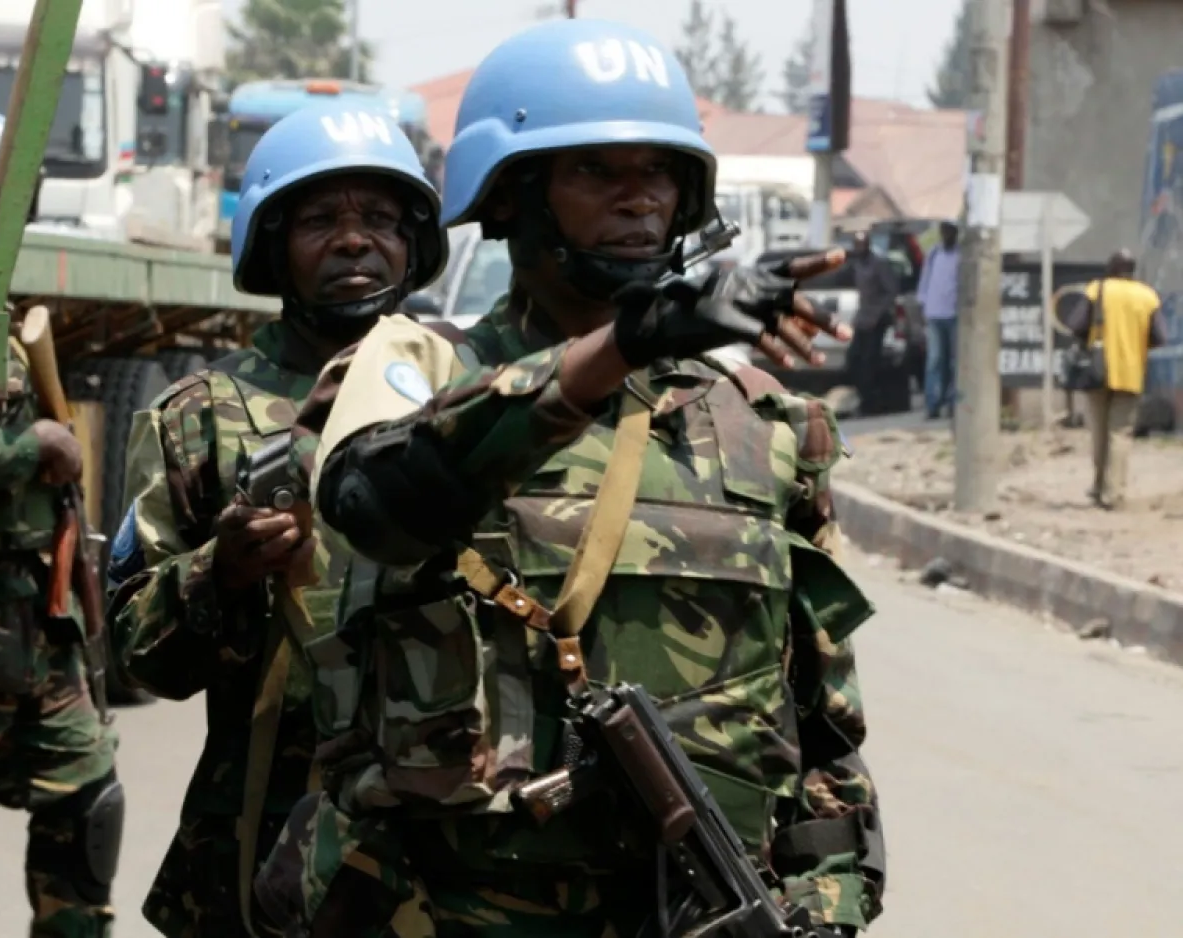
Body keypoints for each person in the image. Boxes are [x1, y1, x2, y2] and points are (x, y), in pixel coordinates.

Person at [254, 18, 884, 938]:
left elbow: (824, 726)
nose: (638, 201)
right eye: (595, 172)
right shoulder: (415, 367)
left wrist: (826, 906)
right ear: (510, 197)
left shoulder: (768, 426)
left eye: (658, 173)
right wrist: (627, 342)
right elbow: (373, 507)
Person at [104, 101, 448, 938]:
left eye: (379, 218)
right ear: (272, 245)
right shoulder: (200, 417)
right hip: (268, 839)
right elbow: (137, 652)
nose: (356, 239)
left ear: (412, 243)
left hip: (450, 836)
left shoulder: (470, 391)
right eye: (322, 218)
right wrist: (218, 574)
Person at [0, 107, 124, 938]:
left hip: (35, 630)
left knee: (88, 799)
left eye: (7, 199)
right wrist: (34, 443)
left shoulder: (1, 316)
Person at [1072, 249, 1167, 509]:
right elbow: (1160, 337)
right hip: (1131, 372)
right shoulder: (1147, 296)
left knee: (1099, 432)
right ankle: (1113, 494)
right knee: (1120, 433)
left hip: (1097, 371)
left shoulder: (1097, 289)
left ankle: (1098, 486)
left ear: (1110, 268)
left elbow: (1076, 324)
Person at [845, 231, 901, 414]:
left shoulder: (879, 264)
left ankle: (872, 404)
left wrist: (876, 315)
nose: (859, 248)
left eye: (862, 244)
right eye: (856, 245)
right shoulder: (857, 265)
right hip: (863, 318)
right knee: (853, 359)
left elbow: (890, 291)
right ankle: (864, 398)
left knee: (870, 362)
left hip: (877, 320)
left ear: (868, 245)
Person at [918, 220, 961, 419]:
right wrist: (923, 307)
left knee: (953, 362)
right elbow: (925, 283)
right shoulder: (934, 254)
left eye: (950, 231)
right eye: (944, 231)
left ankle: (952, 402)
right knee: (934, 361)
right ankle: (932, 404)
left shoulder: (962, 256)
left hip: (954, 315)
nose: (946, 235)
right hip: (934, 314)